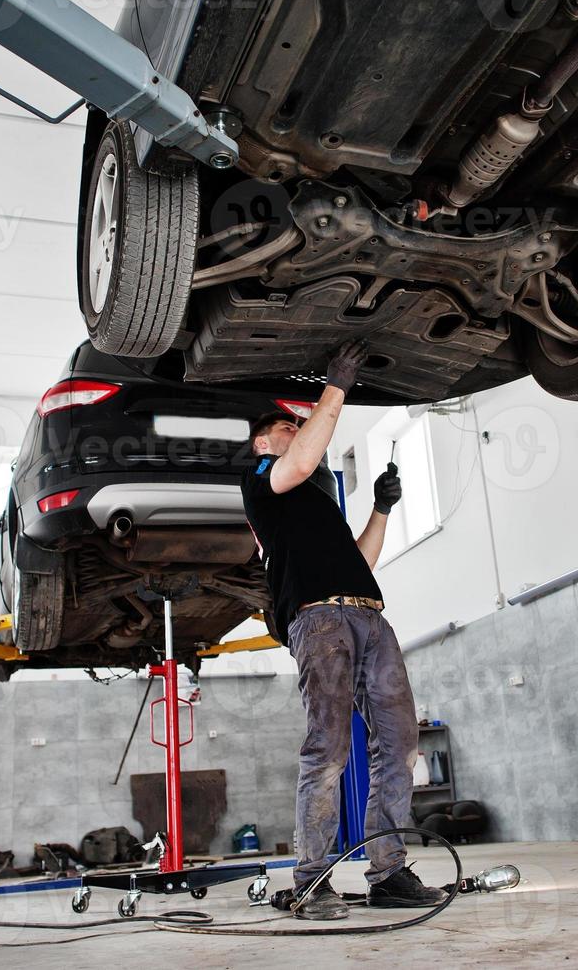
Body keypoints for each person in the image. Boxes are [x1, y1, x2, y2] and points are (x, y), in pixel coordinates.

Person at [240, 342, 447, 920]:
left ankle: (388, 873)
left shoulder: (320, 502)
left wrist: (381, 509)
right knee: (328, 750)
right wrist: (335, 389)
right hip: (319, 619)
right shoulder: (261, 481)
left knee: (401, 745)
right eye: (290, 425)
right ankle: (311, 880)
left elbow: (362, 562)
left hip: (367, 615)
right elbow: (302, 460)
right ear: (265, 441)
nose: (301, 429)